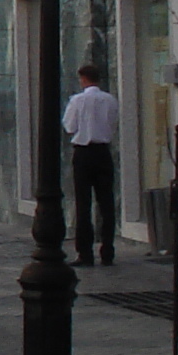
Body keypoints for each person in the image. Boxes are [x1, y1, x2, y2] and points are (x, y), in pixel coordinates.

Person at [63, 63, 119, 267]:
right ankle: (108, 250)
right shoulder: (110, 100)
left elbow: (69, 126)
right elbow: (113, 124)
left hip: (84, 152)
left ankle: (85, 252)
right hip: (103, 151)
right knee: (106, 203)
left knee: (83, 204)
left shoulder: (78, 100)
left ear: (83, 79)